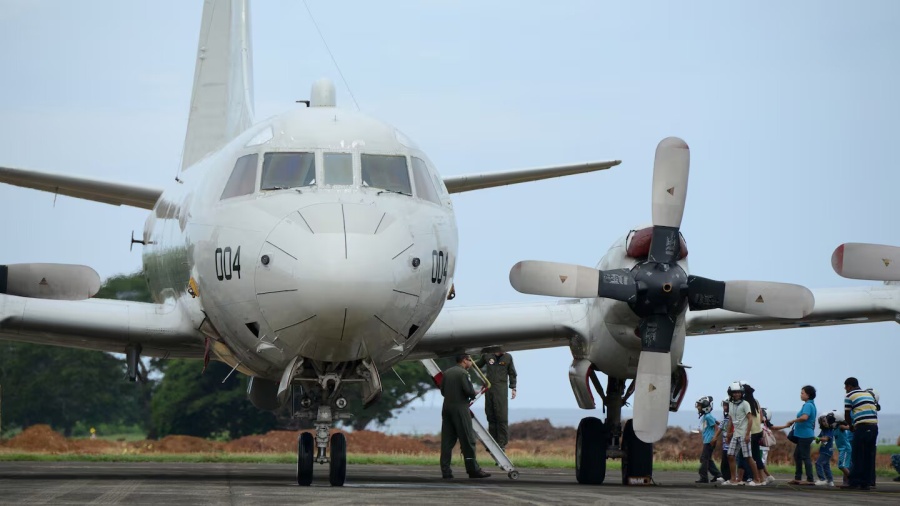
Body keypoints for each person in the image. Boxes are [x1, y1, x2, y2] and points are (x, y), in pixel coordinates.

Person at [439, 354, 490, 479]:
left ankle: (446, 471)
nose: (471, 363)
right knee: (468, 440)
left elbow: (442, 391)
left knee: (447, 441)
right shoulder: (463, 373)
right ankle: (473, 470)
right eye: (470, 360)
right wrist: (475, 393)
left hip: (446, 407)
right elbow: (468, 391)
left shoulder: (447, 372)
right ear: (464, 360)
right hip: (460, 408)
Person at [773, 385, 817, 485]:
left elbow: (804, 417)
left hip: (805, 435)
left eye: (802, 393)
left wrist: (793, 421)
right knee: (797, 455)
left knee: (805, 457)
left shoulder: (808, 405)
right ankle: (798, 478)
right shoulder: (809, 405)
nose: (800, 395)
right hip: (803, 435)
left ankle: (810, 479)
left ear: (808, 395)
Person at [474, 349, 517, 451]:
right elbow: (477, 365)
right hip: (489, 388)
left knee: (501, 416)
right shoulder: (487, 355)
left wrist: (513, 388)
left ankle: (502, 444)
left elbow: (512, 373)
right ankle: (492, 442)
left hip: (501, 390)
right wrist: (468, 360)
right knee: (490, 415)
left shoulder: (508, 357)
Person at [722, 382, 762, 486]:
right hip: (735, 434)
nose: (736, 394)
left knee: (748, 457)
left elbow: (750, 419)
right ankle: (733, 479)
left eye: (738, 392)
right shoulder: (730, 404)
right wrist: (728, 433)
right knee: (730, 455)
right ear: (731, 393)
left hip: (744, 434)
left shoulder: (745, 404)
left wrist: (748, 434)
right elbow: (731, 420)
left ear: (742, 393)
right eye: (734, 392)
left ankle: (757, 479)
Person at [841, 377, 878, 490]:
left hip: (862, 426)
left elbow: (847, 414)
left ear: (850, 386)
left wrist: (850, 426)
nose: (845, 389)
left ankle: (854, 482)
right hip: (874, 427)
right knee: (868, 456)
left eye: (845, 387)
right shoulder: (868, 394)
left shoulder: (849, 396)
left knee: (857, 455)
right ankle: (866, 483)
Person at [742, 384, 775, 485]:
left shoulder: (745, 403)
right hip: (758, 431)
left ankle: (755, 478)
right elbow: (760, 417)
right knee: (756, 456)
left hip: (750, 432)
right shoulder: (756, 402)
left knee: (749, 456)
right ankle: (763, 478)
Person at [694, 396, 724, 483]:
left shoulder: (708, 417)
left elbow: (716, 427)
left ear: (705, 407)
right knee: (707, 459)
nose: (698, 408)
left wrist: (714, 438)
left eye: (700, 406)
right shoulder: (707, 416)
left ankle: (704, 477)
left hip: (709, 441)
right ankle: (718, 475)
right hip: (707, 440)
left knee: (704, 459)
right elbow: (717, 423)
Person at [814, 413, 836, 486]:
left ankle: (822, 479)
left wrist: (817, 438)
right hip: (824, 450)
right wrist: (817, 439)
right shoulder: (823, 431)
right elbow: (818, 441)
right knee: (826, 465)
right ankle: (830, 481)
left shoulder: (830, 430)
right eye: (823, 421)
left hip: (828, 450)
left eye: (826, 421)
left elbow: (825, 439)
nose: (825, 422)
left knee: (818, 463)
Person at [834, 414, 853, 486]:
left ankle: (852, 479)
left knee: (842, 466)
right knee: (845, 465)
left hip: (845, 448)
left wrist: (850, 426)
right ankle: (846, 482)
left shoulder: (840, 426)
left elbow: (848, 427)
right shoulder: (835, 428)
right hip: (842, 449)